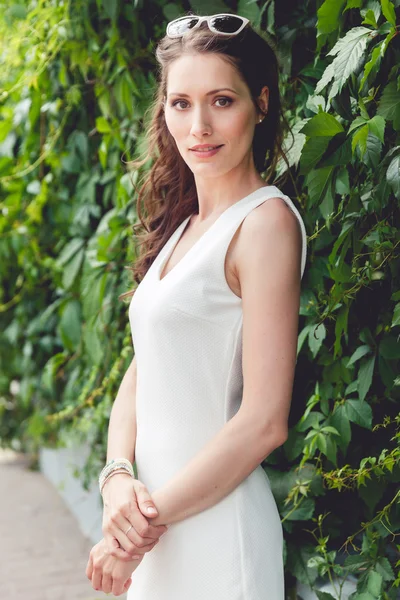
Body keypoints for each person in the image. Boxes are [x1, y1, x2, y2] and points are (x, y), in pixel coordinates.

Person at [86, 12, 307, 599]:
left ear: (260, 104)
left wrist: (135, 532)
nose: (199, 126)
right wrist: (116, 477)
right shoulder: (184, 228)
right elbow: (144, 369)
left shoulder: (265, 225)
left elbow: (263, 421)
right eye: (180, 103)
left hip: (214, 532)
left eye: (221, 101)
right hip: (159, 531)